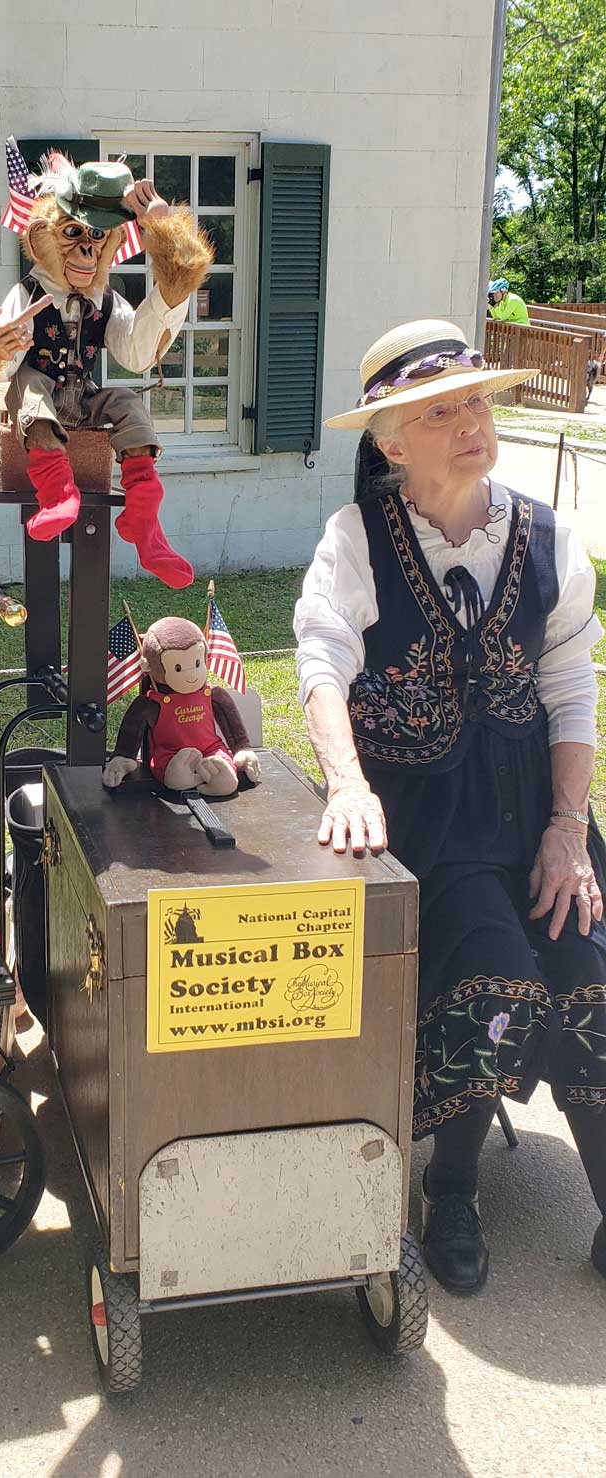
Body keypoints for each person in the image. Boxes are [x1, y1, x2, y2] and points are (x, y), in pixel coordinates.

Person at [294, 318, 605, 1295]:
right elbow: (321, 663)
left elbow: (571, 688)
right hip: (427, 823)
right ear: (393, 442)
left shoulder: (550, 538)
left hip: (538, 815)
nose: (470, 421)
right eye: (440, 412)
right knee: (494, 976)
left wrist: (569, 829)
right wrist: (347, 782)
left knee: (589, 969)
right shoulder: (355, 538)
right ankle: (452, 1189)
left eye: (475, 400)